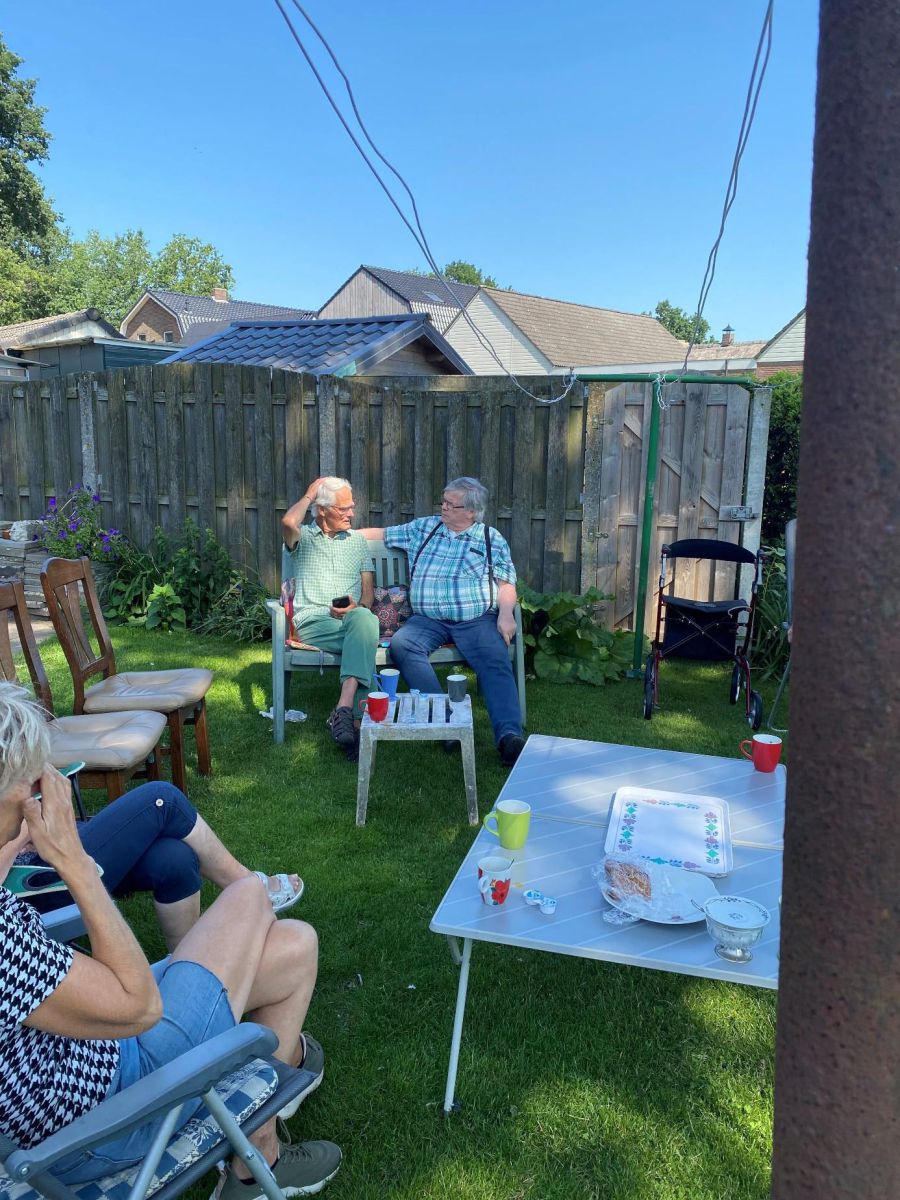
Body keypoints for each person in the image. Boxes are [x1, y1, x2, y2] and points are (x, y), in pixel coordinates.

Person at [0, 684, 341, 1197]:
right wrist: (74, 862)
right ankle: (265, 1135)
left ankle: (257, 1156)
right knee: (248, 895)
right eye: (31, 787)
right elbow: (140, 1008)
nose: (40, 799)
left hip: (76, 1058)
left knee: (294, 945)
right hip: (107, 1120)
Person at [2, 778, 304, 952]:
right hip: (31, 888)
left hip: (39, 850)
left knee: (174, 859)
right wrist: (25, 830)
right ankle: (248, 888)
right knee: (161, 800)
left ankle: (186, 969)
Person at [360, 477, 526, 766]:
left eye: (451, 504)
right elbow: (381, 534)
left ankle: (509, 737)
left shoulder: (490, 538)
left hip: (475, 619)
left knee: (495, 657)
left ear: (471, 512)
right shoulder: (425, 528)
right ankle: (445, 721)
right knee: (403, 645)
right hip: (428, 620)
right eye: (444, 501)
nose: (444, 508)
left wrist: (506, 615)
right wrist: (342, 533)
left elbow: (506, 583)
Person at [282, 476, 379, 756]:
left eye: (352, 507)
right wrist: (310, 493)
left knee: (365, 620)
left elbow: (368, 597)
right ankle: (355, 722)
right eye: (344, 508)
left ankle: (344, 710)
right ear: (322, 510)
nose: (351, 514)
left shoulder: (358, 542)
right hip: (314, 622)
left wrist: (357, 607)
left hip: (353, 620)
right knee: (365, 636)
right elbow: (288, 522)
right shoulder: (304, 539)